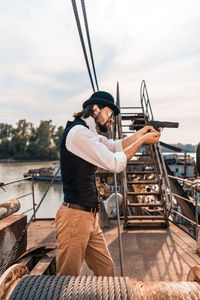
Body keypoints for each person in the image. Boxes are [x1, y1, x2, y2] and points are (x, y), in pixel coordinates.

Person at [55, 91, 161, 276]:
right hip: (75, 218)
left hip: (89, 217)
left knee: (106, 271)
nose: (112, 119)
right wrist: (143, 141)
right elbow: (114, 163)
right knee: (66, 277)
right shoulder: (79, 133)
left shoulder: (88, 133)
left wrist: (142, 132)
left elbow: (115, 146)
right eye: (110, 113)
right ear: (95, 109)